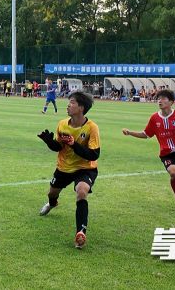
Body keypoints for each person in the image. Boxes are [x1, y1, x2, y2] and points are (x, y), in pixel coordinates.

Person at [37, 91, 100, 249]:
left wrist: (74, 144)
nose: (68, 105)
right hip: (64, 167)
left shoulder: (92, 128)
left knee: (82, 191)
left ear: (81, 108)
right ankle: (52, 203)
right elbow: (59, 147)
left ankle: (81, 233)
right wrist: (49, 142)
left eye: (72, 102)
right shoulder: (62, 124)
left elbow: (94, 154)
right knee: (52, 193)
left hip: (85, 168)